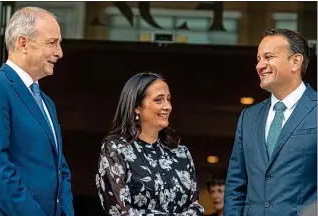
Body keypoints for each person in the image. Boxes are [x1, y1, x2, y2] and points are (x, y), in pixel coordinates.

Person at [224, 28, 316, 216]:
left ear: (295, 61)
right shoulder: (248, 117)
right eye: (258, 59)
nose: (260, 66)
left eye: (269, 57)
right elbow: (236, 185)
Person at [0, 7, 74, 216]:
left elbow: (60, 167)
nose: (59, 52)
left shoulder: (46, 103)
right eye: (52, 42)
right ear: (23, 44)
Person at [95, 72, 204, 215]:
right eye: (159, 100)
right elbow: (119, 210)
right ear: (136, 106)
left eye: (168, 99)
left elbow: (195, 207)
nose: (168, 106)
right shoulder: (115, 149)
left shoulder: (181, 153)